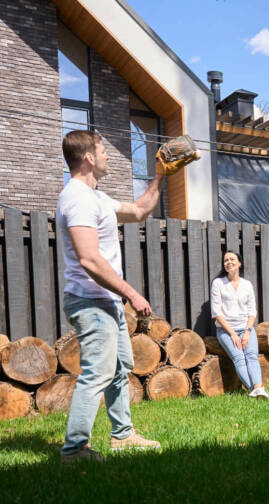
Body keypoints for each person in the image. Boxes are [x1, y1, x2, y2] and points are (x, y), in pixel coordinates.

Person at [58, 129, 195, 463]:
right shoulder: (76, 197)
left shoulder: (97, 198)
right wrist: (131, 292)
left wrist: (160, 176)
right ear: (88, 157)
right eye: (103, 150)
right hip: (89, 301)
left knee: (119, 368)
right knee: (99, 371)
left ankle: (122, 436)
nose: (107, 155)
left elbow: (138, 211)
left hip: (105, 301)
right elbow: (89, 258)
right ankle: (74, 450)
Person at [211, 250, 269, 400]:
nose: (228, 262)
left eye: (232, 259)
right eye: (226, 260)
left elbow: (252, 311)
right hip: (225, 330)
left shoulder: (247, 284)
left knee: (251, 356)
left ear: (239, 263)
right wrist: (232, 334)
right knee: (238, 357)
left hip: (246, 328)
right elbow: (216, 312)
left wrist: (247, 331)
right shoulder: (218, 283)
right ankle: (257, 391)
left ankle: (257, 389)